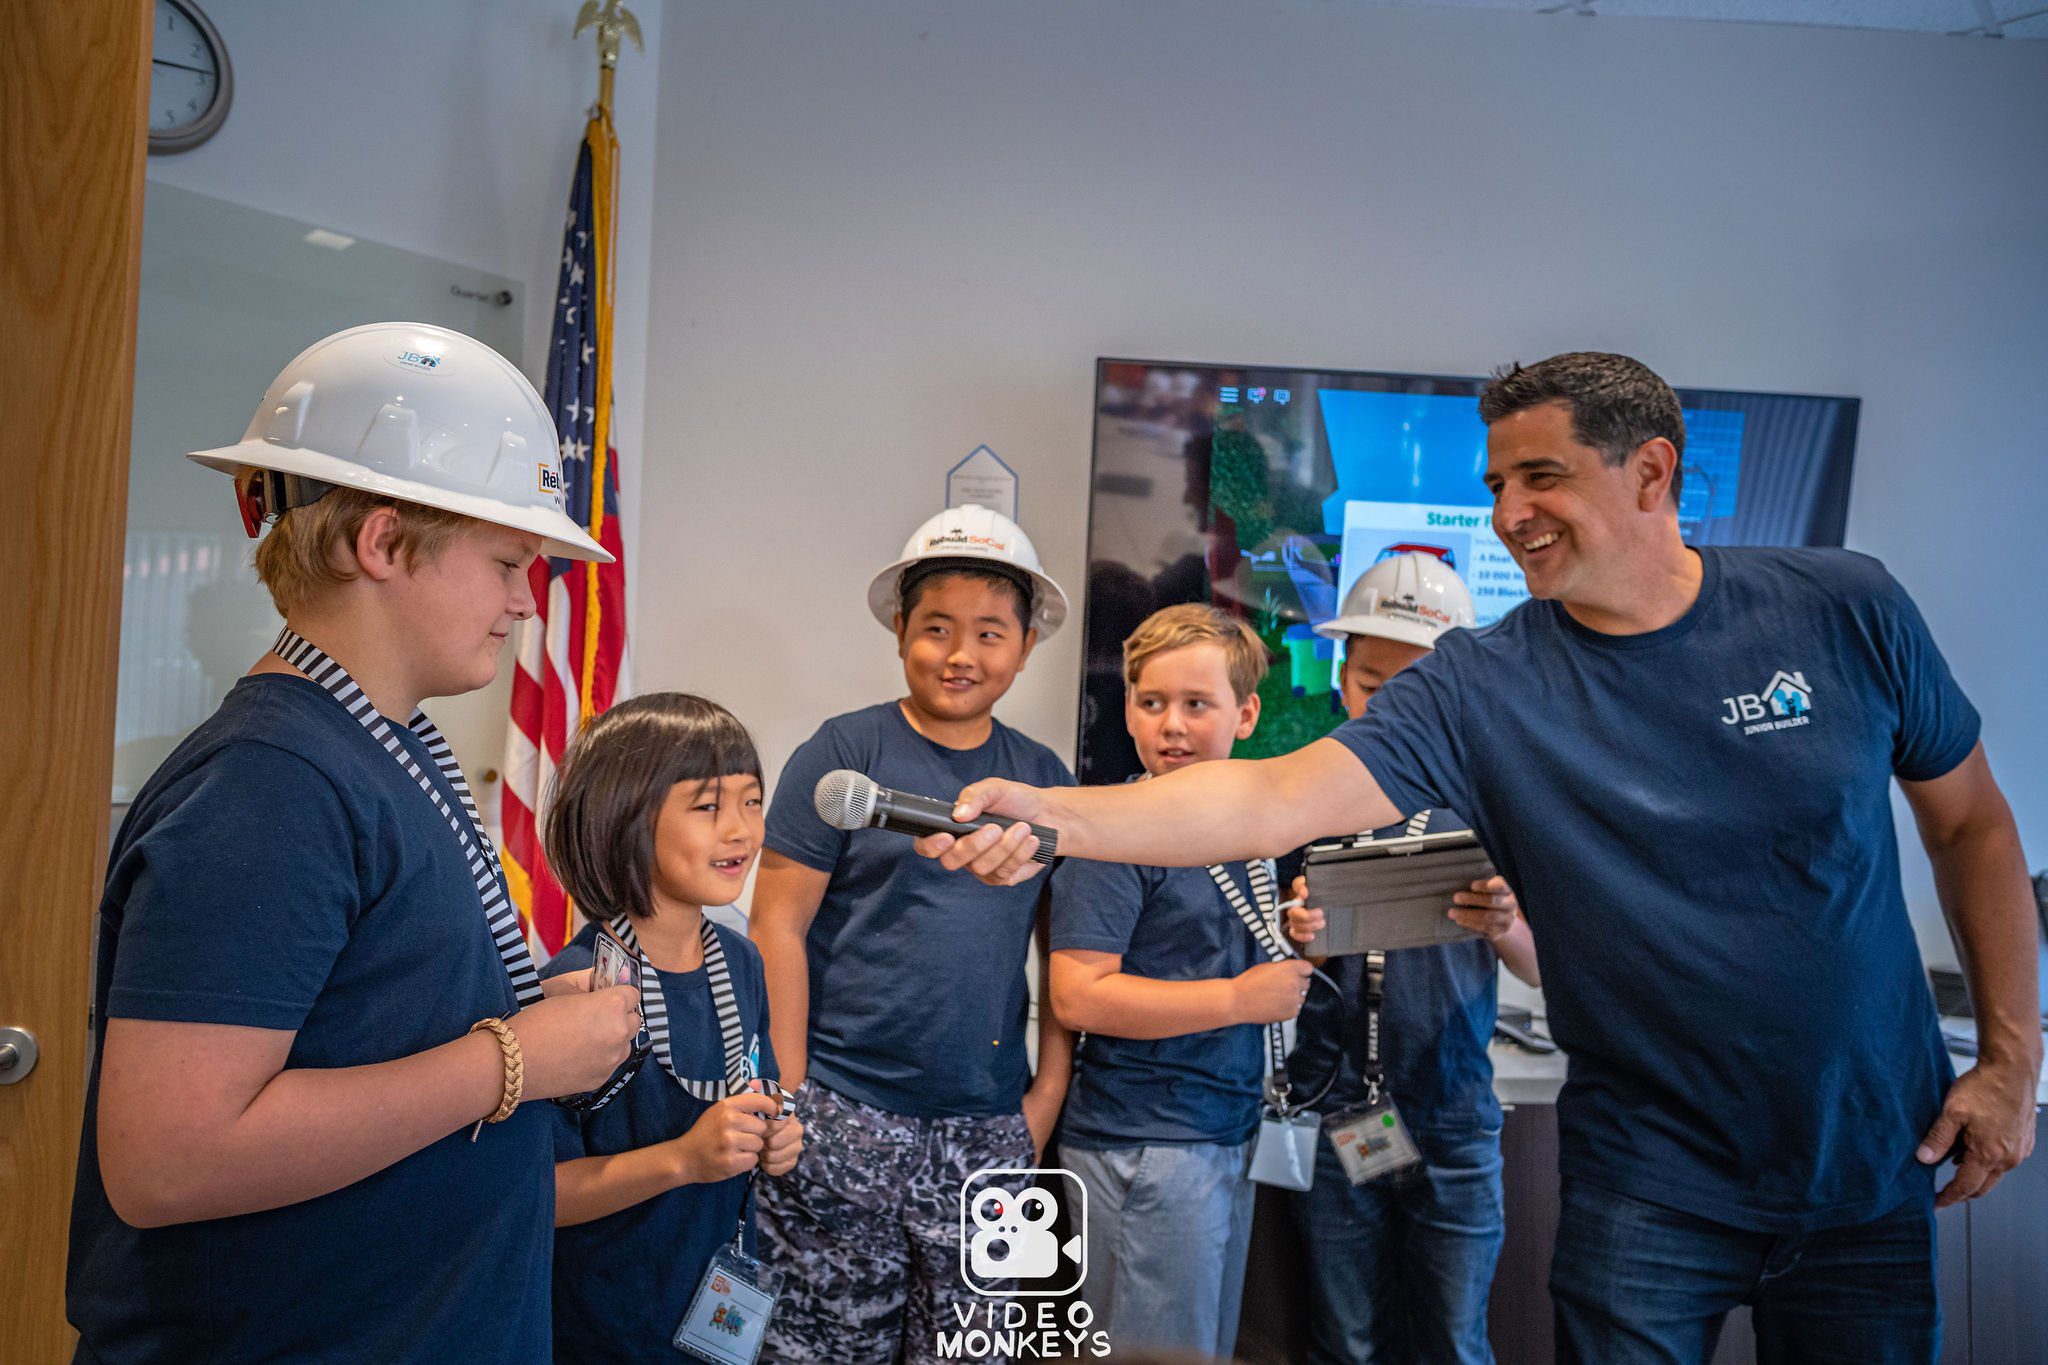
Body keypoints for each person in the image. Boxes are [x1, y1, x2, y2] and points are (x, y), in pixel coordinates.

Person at [919, 353, 2040, 1365]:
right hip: (1645, 1184)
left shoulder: (1844, 609)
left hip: (1866, 1165)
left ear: (1650, 472)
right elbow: (1265, 799)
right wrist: (1052, 813)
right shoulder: (1479, 683)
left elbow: (1972, 826)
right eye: (1496, 484)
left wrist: (2007, 1059)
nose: (1508, 513)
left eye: (1539, 478)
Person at [67, 323, 643, 1362]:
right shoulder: (273, 785)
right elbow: (170, 1161)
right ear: (381, 544)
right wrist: (515, 1058)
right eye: (509, 561)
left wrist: (511, 1018)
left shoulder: (379, 747)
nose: (525, 600)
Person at [750, 504, 1078, 1364]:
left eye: (988, 633)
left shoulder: (1044, 781)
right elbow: (775, 925)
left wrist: (1041, 1099)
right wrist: (790, 1093)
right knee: (820, 1350)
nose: (960, 654)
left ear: (1026, 645)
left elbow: (1061, 952)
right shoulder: (842, 753)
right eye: (936, 627)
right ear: (900, 629)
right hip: (841, 1113)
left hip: (987, 1129)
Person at [1280, 553, 1540, 1365]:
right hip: (1337, 1110)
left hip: (1454, 1112)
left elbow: (1541, 967)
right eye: (1368, 682)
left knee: (1455, 1343)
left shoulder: (1497, 797)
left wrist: (1501, 921)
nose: (1385, 705)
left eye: (1410, 685)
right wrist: (1291, 937)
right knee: (1344, 1342)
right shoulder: (1306, 795)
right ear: (1342, 678)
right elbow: (1275, 947)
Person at [1047, 603, 1313, 1357]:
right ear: (1126, 709)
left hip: (1220, 1129)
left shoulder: (1244, 826)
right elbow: (1080, 993)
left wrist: (1293, 945)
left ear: (1247, 713)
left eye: (1197, 704)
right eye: (1151, 702)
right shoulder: (1116, 833)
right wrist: (1236, 998)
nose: (1171, 725)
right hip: (1146, 1143)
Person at [539, 694, 805, 1363]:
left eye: (751, 801)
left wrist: (776, 1129)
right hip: (601, 1330)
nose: (742, 829)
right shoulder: (577, 987)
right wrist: (684, 1158)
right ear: (626, 816)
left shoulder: (740, 959)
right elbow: (537, 1197)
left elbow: (758, 1080)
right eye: (709, 806)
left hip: (712, 1315)